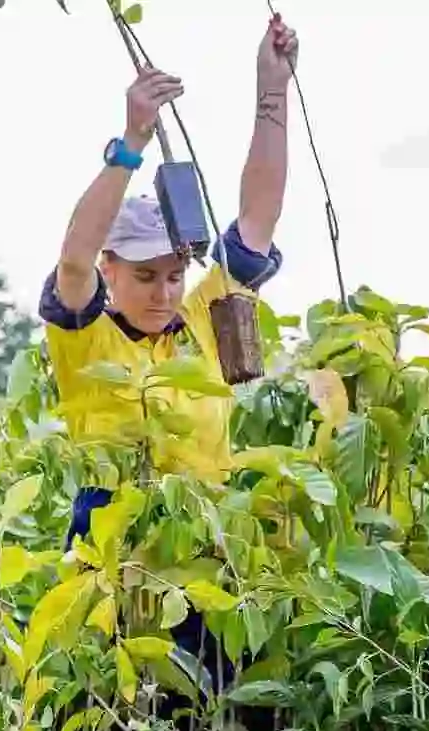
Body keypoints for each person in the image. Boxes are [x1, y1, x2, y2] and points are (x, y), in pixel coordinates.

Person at [44, 15, 298, 513]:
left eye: (174, 275)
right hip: (116, 553)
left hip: (208, 546)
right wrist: (132, 142)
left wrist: (273, 88)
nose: (163, 293)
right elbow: (73, 260)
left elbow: (258, 218)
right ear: (109, 268)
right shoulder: (86, 339)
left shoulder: (202, 322)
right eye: (144, 275)